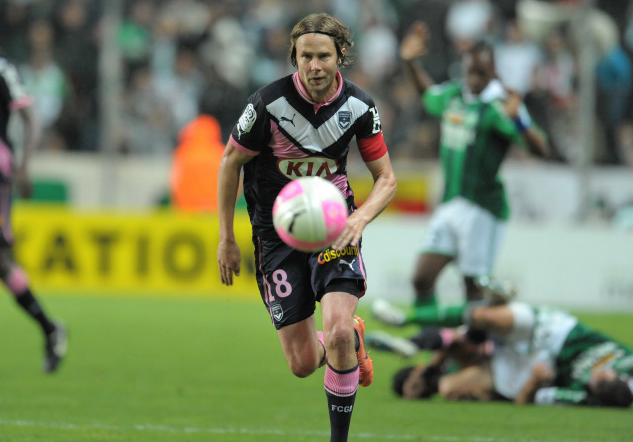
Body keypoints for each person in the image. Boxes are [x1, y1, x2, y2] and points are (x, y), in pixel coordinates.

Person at [217, 13, 397, 442]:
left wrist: (359, 218)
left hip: (335, 227)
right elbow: (230, 162)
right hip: (274, 235)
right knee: (301, 363)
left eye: (323, 57)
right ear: (294, 58)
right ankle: (353, 340)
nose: (315, 66)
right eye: (305, 57)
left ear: (341, 56)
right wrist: (226, 238)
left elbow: (387, 179)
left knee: (336, 331)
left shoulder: (359, 107)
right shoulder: (268, 104)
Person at [373, 22, 549, 328]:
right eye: (471, 71)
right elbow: (427, 95)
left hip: (483, 208)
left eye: (482, 72)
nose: (475, 78)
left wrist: (519, 122)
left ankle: (475, 349)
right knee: (422, 278)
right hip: (450, 203)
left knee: (473, 290)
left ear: (493, 71)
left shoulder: (500, 105)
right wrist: (410, 62)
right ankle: (431, 342)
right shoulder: (454, 95)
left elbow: (541, 149)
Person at [375, 295, 633, 408]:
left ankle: (413, 341)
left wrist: (428, 372)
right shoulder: (627, 365)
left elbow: (534, 398)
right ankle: (405, 321)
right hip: (555, 332)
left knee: (449, 387)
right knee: (484, 318)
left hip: (518, 364)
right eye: (605, 375)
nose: (598, 375)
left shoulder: (584, 393)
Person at [0, 55, 67, 372]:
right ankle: (50, 328)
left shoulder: (3, 69)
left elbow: (32, 118)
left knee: (2, 261)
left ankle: (50, 328)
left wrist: (25, 165)